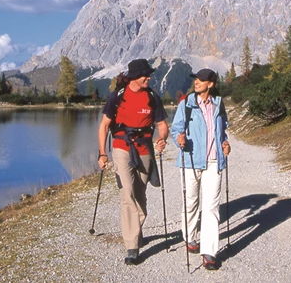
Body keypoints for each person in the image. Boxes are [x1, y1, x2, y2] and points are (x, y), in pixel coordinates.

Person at [97, 58, 169, 265]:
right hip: (121, 148)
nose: (149, 77)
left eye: (149, 74)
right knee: (127, 194)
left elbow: (162, 125)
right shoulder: (117, 97)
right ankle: (132, 246)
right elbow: (104, 126)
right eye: (145, 74)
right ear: (135, 77)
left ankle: (135, 231)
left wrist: (162, 138)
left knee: (140, 195)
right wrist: (103, 153)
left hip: (145, 148)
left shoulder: (153, 97)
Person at [171, 68, 230, 271]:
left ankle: (209, 252)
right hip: (190, 161)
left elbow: (223, 131)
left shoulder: (218, 105)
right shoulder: (186, 105)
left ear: (210, 84)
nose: (197, 82)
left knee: (212, 207)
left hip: (214, 162)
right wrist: (179, 139)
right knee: (191, 203)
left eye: (201, 79)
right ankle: (189, 237)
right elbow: (176, 128)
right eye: (196, 79)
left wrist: (225, 144)